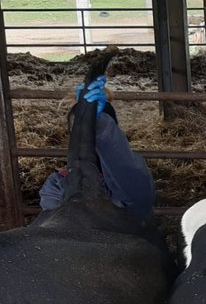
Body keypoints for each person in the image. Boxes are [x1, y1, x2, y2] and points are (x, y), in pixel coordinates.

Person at [38, 75, 155, 219]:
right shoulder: (58, 183)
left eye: (95, 133)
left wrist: (99, 123)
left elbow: (137, 194)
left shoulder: (128, 178)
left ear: (111, 132)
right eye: (78, 131)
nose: (85, 139)